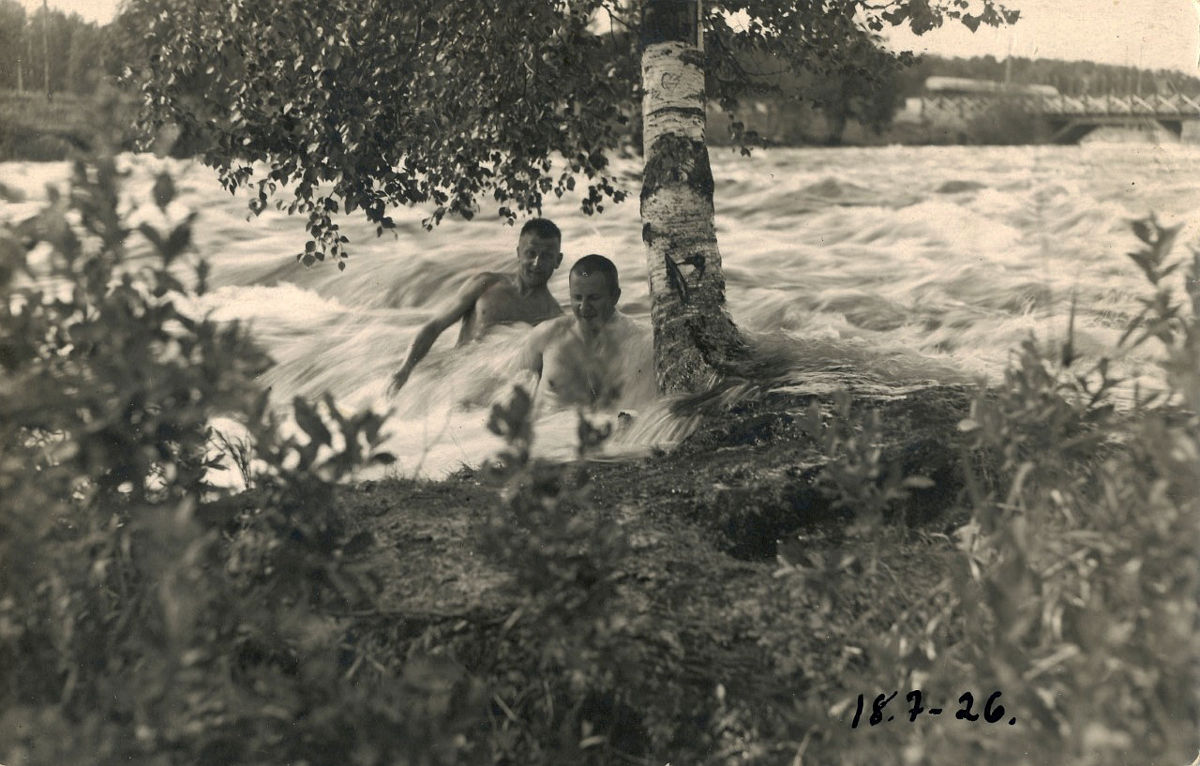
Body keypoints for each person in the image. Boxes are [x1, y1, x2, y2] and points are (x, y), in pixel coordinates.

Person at [387, 218, 564, 395]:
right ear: (519, 253)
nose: (537, 263)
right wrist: (404, 370)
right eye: (531, 253)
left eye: (547, 256)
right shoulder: (486, 284)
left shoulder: (554, 319)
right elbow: (435, 326)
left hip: (492, 401)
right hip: (449, 384)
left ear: (558, 260)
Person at [516, 254, 654, 412]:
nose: (583, 307)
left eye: (593, 298)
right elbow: (515, 391)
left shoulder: (643, 343)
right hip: (546, 432)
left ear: (615, 296)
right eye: (577, 298)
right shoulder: (546, 335)